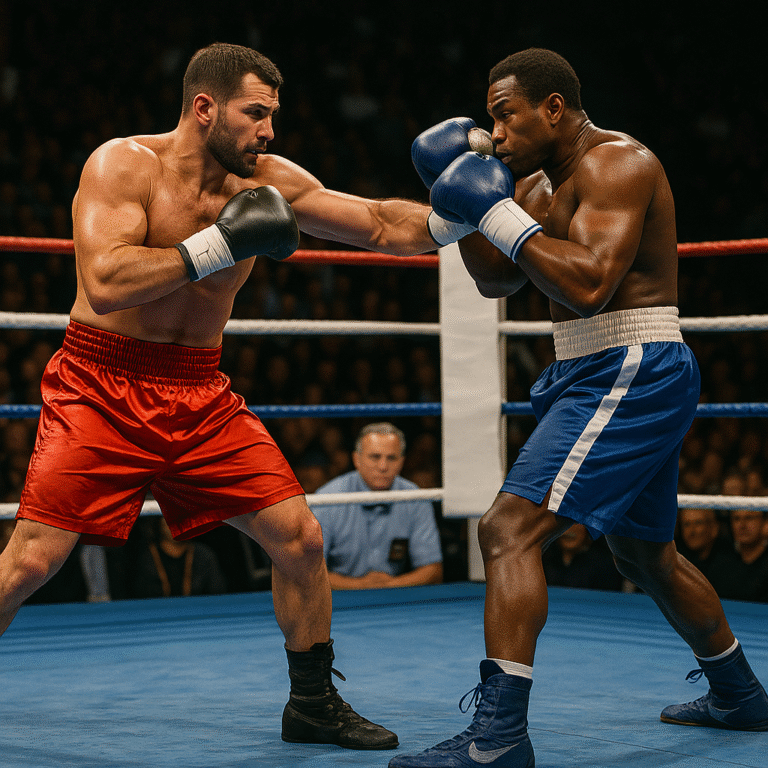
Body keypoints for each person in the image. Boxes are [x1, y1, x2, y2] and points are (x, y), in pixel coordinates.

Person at [0, 42, 462, 752]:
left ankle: (311, 704)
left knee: (301, 540)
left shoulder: (268, 179)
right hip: (100, 384)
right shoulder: (122, 165)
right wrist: (219, 243)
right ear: (205, 108)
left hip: (198, 390)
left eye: (273, 116)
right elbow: (107, 281)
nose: (268, 131)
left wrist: (460, 217)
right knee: (33, 558)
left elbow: (374, 223)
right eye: (255, 114)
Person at [390, 48, 768, 768]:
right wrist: (461, 201)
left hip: (631, 363)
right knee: (644, 552)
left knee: (507, 529)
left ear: (553, 107)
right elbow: (500, 282)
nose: (494, 134)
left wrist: (492, 209)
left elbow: (591, 282)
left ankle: (498, 738)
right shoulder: (535, 186)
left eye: (505, 114)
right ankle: (740, 695)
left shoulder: (616, 163)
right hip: (594, 367)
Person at [310, 423, 443, 590]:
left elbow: (433, 570)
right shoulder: (328, 499)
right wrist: (360, 585)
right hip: (339, 600)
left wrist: (390, 585)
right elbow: (308, 573)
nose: (383, 467)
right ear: (356, 459)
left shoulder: (414, 496)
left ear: (402, 462)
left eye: (391, 458)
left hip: (395, 597)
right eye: (375, 457)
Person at [542, 522, 623, 592]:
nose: (570, 529)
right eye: (565, 523)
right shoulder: (544, 559)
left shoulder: (604, 565)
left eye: (577, 523)